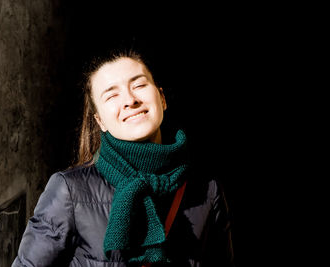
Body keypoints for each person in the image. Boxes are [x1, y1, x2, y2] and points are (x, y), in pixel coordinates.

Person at [12, 49, 235, 266]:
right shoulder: (70, 190)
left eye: (139, 85)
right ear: (101, 122)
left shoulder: (206, 188)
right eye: (112, 95)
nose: (130, 100)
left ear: (162, 99)